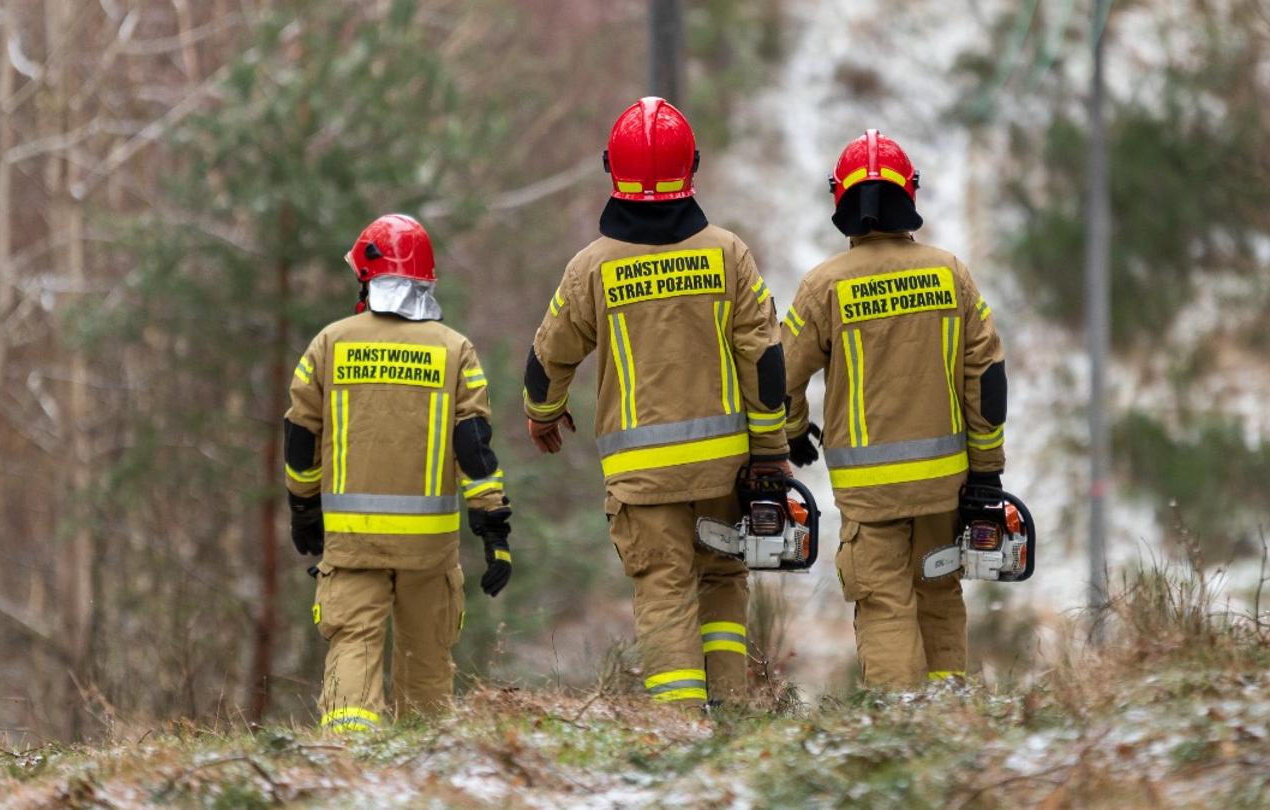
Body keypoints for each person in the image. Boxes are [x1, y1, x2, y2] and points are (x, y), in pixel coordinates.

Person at [524, 97, 789, 708]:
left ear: (611, 169)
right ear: (690, 166)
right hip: (723, 470)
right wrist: (771, 452)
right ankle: (729, 716)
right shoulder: (728, 254)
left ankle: (678, 730)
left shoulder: (592, 267)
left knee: (664, 592)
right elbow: (765, 360)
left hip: (642, 482)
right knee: (721, 581)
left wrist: (544, 413)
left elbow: (547, 357)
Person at [780, 130, 1008, 689]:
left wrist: (792, 431)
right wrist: (986, 471)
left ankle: (903, 720)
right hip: (945, 486)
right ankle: (948, 711)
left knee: (884, 603)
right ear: (910, 193)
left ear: (841, 199)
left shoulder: (824, 286)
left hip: (870, 494)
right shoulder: (951, 274)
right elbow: (987, 379)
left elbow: (779, 376)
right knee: (940, 592)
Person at [285, 214, 514, 734]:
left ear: (368, 276)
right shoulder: (455, 350)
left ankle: (348, 758)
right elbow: (474, 449)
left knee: (353, 645)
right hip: (428, 549)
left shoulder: (329, 344)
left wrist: (303, 507)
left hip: (353, 542)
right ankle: (424, 761)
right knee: (427, 660)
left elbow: (300, 436)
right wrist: (493, 529)